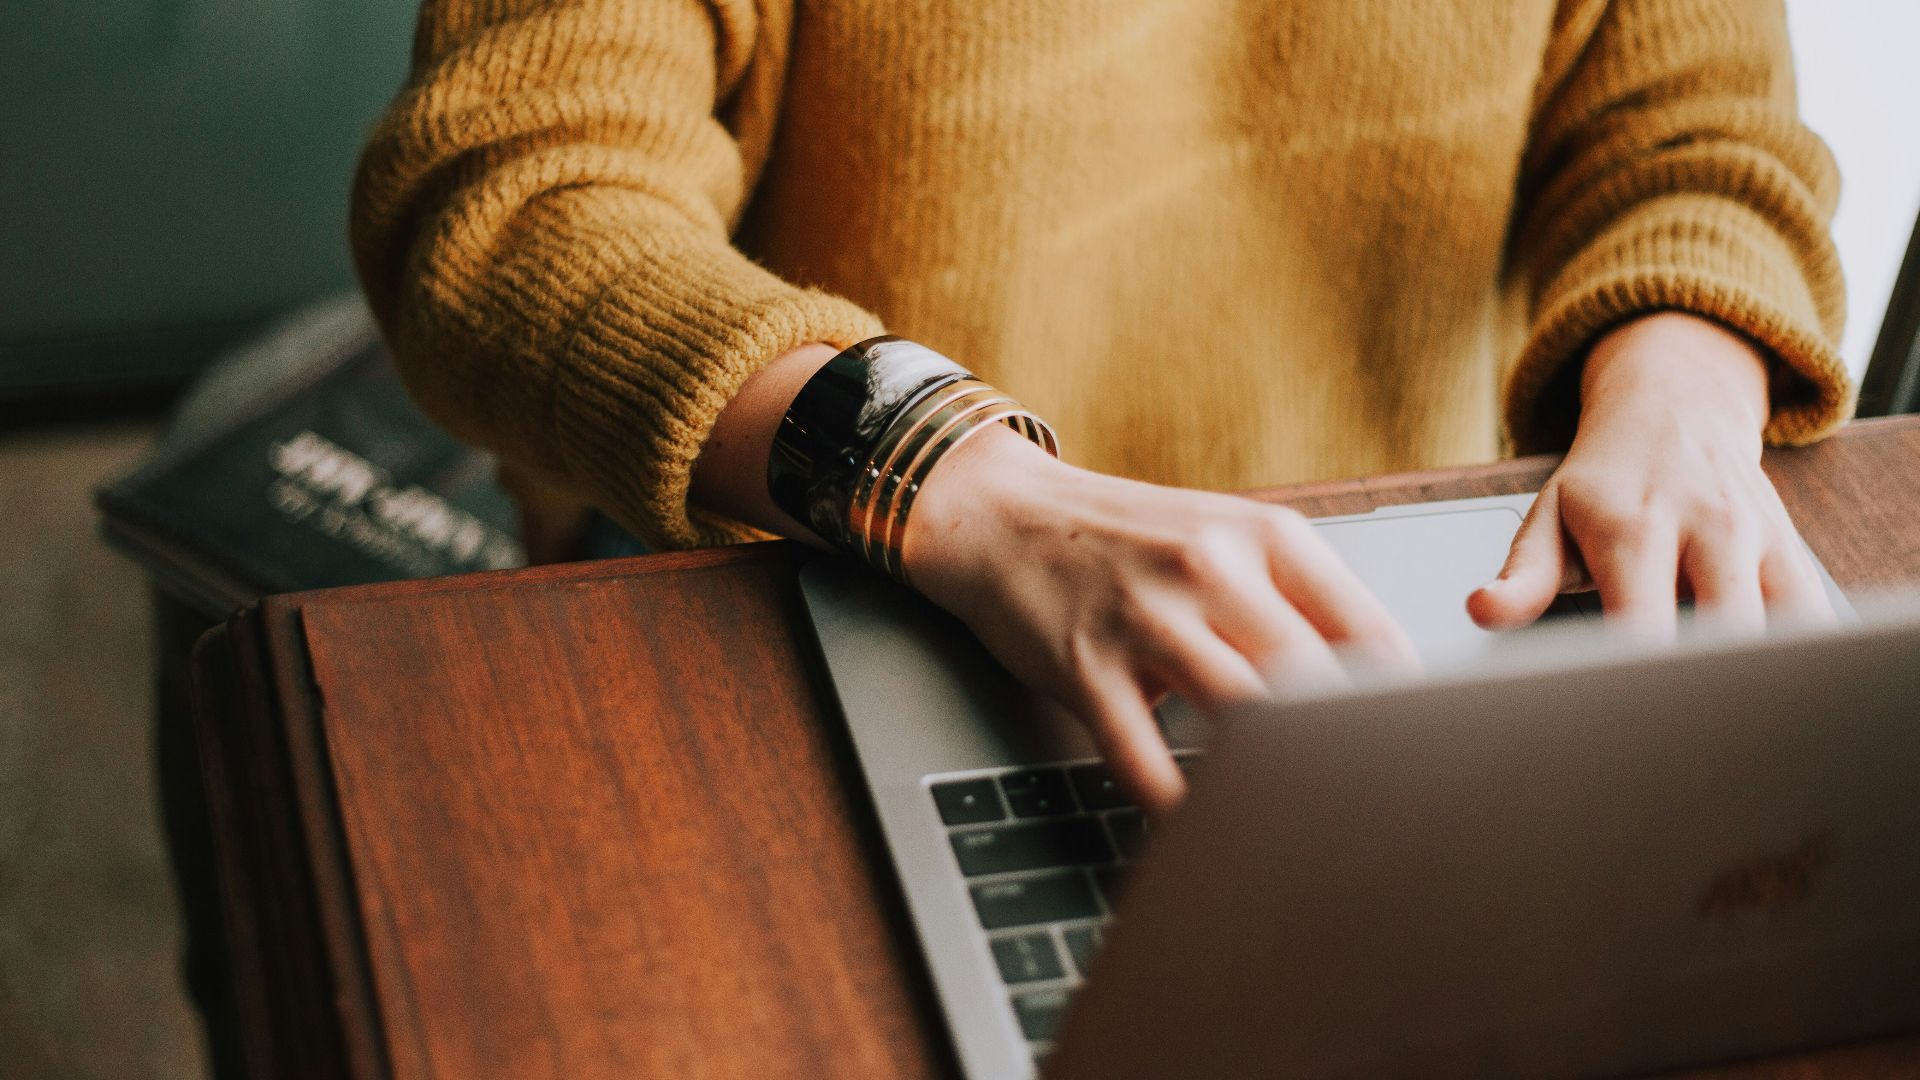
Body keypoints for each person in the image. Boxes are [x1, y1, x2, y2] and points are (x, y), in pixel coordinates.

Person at [351, 0, 1851, 810]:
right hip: (837, 581)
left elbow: (1700, 129)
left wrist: (1684, 381)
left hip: (1403, 625)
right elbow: (511, 200)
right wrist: (957, 480)